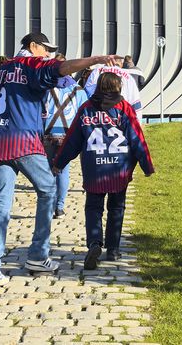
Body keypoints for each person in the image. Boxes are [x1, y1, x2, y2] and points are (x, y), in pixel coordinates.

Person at [0, 32, 116, 287]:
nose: (47, 54)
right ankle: (38, 254)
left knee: (1, 204)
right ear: (32, 46)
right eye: (45, 49)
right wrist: (96, 59)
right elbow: (63, 67)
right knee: (48, 189)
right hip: (22, 140)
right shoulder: (31, 65)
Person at [53, 70, 154, 270]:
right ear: (118, 87)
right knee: (116, 208)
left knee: (93, 208)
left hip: (94, 169)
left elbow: (72, 140)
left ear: (98, 86)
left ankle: (94, 243)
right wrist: (146, 165)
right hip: (118, 169)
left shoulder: (86, 109)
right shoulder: (124, 108)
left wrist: (59, 162)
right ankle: (114, 249)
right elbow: (136, 138)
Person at [41, 61, 88, 219]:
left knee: (47, 172)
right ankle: (59, 207)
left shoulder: (46, 88)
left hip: (47, 133)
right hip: (68, 134)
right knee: (63, 171)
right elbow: (83, 115)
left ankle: (47, 205)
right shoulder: (78, 90)